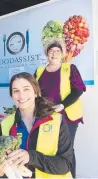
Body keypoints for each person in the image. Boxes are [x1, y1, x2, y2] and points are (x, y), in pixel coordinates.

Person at [0, 72, 73, 178]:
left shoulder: (56, 120)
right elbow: (7, 166)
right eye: (16, 91)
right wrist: (1, 173)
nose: (21, 95)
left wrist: (31, 157)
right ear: (12, 96)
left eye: (26, 89)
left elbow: (66, 164)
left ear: (36, 92)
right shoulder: (5, 125)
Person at [34, 38, 86, 178]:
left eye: (58, 51)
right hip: (46, 116)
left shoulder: (69, 68)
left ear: (62, 54)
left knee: (67, 151)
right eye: (51, 51)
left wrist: (62, 105)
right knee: (49, 148)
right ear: (47, 53)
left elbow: (78, 90)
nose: (54, 54)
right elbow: (34, 93)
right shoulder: (39, 71)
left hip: (67, 116)